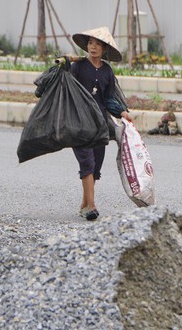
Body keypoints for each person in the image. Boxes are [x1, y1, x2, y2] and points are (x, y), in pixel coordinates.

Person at [70, 27, 133, 221]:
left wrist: (122, 112)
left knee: (95, 166)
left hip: (99, 125)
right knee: (87, 162)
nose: (93, 47)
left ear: (104, 49)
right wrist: (66, 61)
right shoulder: (78, 67)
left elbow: (108, 99)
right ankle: (91, 206)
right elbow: (66, 88)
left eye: (97, 44)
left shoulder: (107, 71)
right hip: (80, 123)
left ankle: (84, 204)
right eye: (90, 43)